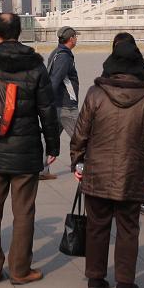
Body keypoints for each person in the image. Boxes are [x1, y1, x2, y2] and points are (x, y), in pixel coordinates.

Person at [71, 33, 144, 288]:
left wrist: (77, 162)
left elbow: (80, 133)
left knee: (97, 227)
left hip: (97, 173)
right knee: (128, 229)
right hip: (131, 173)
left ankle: (95, 279)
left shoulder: (95, 94)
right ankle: (125, 282)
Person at [0, 13, 59, 286]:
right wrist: (52, 146)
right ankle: (20, 269)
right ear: (19, 33)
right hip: (26, 148)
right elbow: (47, 109)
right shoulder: (35, 66)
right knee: (23, 212)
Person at [42, 26, 80, 180]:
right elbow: (55, 79)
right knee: (81, 137)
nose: (76, 39)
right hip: (65, 106)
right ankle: (85, 168)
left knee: (50, 138)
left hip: (57, 105)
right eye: (75, 36)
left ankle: (41, 169)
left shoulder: (56, 53)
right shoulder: (64, 57)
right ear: (71, 39)